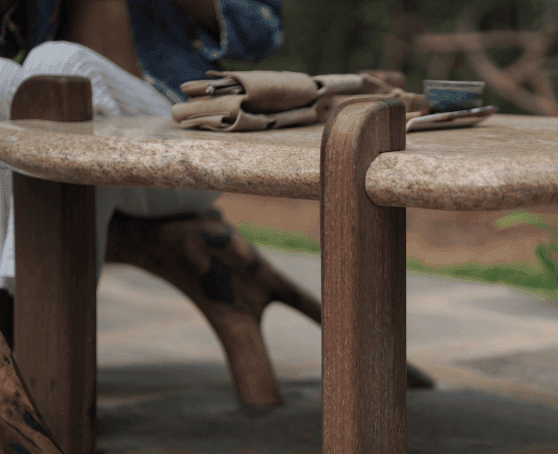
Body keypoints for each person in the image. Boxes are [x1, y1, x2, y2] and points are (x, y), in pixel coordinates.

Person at [0, 0, 434, 388]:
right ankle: (21, 322)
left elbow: (262, 32)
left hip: (174, 144)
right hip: (69, 155)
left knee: (59, 60)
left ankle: (22, 313)